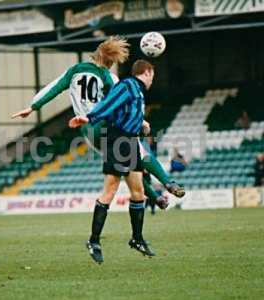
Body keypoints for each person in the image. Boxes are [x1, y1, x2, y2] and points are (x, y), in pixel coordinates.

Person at [12, 36, 184, 202]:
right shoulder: (108, 77)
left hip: (88, 132)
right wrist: (141, 121)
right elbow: (121, 104)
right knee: (139, 151)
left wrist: (33, 107)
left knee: (121, 165)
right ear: (110, 61)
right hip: (103, 125)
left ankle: (156, 198)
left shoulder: (74, 71)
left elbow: (54, 88)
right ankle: (168, 182)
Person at [69, 60, 157, 263]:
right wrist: (89, 118)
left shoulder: (138, 90)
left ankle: (137, 238)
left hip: (131, 141)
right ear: (147, 72)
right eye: (152, 74)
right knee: (110, 190)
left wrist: (141, 125)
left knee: (139, 193)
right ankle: (94, 240)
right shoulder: (127, 85)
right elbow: (109, 104)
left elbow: (128, 112)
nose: (153, 79)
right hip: (118, 140)